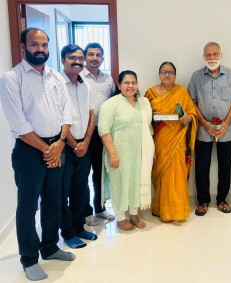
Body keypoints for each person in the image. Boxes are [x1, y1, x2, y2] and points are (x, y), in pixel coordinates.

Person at [0, 28, 75, 281]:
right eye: (34, 45)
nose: (40, 49)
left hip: (58, 146)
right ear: (23, 47)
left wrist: (61, 142)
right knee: (28, 207)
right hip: (30, 152)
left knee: (54, 201)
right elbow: (19, 125)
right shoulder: (11, 78)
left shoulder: (55, 76)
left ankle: (50, 247)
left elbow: (67, 114)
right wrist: (48, 150)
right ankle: (29, 259)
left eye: (44, 45)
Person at [188, 41, 231, 216]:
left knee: (225, 166)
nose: (211, 58)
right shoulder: (196, 76)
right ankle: (203, 201)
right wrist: (205, 124)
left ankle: (222, 200)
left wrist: (227, 123)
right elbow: (192, 102)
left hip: (226, 130)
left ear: (220, 55)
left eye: (214, 54)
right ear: (203, 57)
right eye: (208, 55)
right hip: (203, 130)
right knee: (202, 166)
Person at [98, 70, 155, 231]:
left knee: (135, 182)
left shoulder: (143, 103)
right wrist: (113, 154)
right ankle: (121, 218)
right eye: (126, 83)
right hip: (119, 152)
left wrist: (152, 150)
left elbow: (149, 127)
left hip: (140, 152)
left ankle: (134, 215)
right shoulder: (111, 104)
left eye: (133, 82)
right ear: (119, 85)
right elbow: (103, 129)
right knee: (120, 184)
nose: (131, 86)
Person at [144, 62, 198, 221]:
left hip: (179, 139)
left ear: (175, 75)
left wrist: (188, 117)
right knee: (161, 174)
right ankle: (160, 208)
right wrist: (152, 115)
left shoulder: (182, 91)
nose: (167, 75)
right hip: (160, 140)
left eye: (171, 72)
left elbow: (192, 113)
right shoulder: (150, 94)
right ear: (159, 73)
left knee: (176, 174)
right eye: (164, 72)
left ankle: (178, 210)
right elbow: (142, 117)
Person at [59, 44, 97, 248]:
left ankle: (79, 226)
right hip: (65, 147)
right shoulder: (56, 84)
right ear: (63, 59)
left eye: (80, 58)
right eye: (72, 57)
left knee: (81, 189)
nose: (78, 61)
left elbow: (91, 114)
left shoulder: (86, 84)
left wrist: (87, 141)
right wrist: (74, 145)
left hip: (84, 145)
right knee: (63, 191)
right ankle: (67, 232)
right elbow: (57, 119)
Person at [82, 42, 116, 226]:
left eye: (98, 55)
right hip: (82, 133)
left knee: (100, 172)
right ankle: (85, 212)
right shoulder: (78, 77)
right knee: (83, 173)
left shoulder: (108, 79)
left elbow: (112, 104)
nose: (95, 58)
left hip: (102, 132)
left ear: (103, 58)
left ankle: (99, 208)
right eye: (91, 54)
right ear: (86, 57)